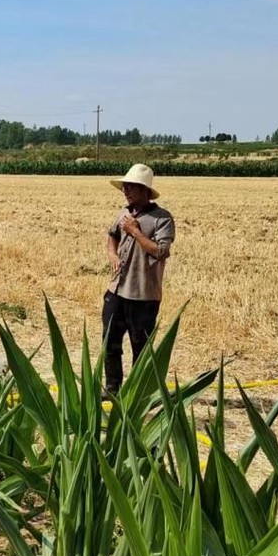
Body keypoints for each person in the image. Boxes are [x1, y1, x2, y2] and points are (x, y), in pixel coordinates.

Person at [103, 163, 175, 396]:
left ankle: (138, 394)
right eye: (125, 187)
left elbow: (160, 251)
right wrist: (112, 254)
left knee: (141, 347)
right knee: (110, 342)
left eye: (132, 187)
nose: (126, 191)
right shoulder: (123, 214)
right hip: (117, 290)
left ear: (145, 190)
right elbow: (112, 236)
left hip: (143, 295)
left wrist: (135, 232)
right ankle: (113, 388)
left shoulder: (161, 219)